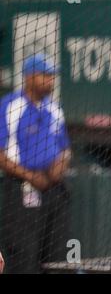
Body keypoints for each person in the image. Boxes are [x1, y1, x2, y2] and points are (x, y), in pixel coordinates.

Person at [0, 53, 72, 273]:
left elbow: (66, 149)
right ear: (29, 77)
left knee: (57, 258)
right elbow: (1, 154)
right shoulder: (10, 106)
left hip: (54, 190)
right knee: (23, 256)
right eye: (45, 75)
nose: (50, 80)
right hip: (19, 190)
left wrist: (59, 167)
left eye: (52, 76)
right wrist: (31, 177)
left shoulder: (54, 108)